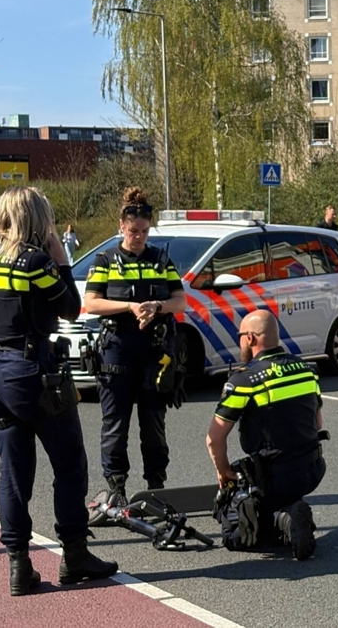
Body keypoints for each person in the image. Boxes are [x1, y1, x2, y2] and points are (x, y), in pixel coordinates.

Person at [0, 186, 117, 596]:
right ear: (37, 218)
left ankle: (18, 564)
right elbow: (70, 307)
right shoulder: (35, 263)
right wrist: (63, 262)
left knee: (13, 475)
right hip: (37, 373)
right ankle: (75, 555)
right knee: (70, 466)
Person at [83, 187, 187, 510]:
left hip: (154, 351)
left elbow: (181, 300)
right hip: (116, 350)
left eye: (143, 231)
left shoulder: (160, 259)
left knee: (153, 423)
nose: (139, 237)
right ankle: (116, 487)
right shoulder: (106, 260)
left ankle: (156, 485)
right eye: (133, 232)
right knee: (115, 424)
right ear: (121, 226)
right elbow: (91, 302)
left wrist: (158, 305)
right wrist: (129, 307)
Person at [207, 309, 325, 561]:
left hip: (272, 478)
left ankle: (283, 518)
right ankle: (291, 508)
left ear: (250, 338)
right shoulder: (307, 369)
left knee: (235, 534)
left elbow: (214, 438)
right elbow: (317, 425)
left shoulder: (244, 381)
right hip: (312, 469)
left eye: (240, 336)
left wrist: (224, 472)